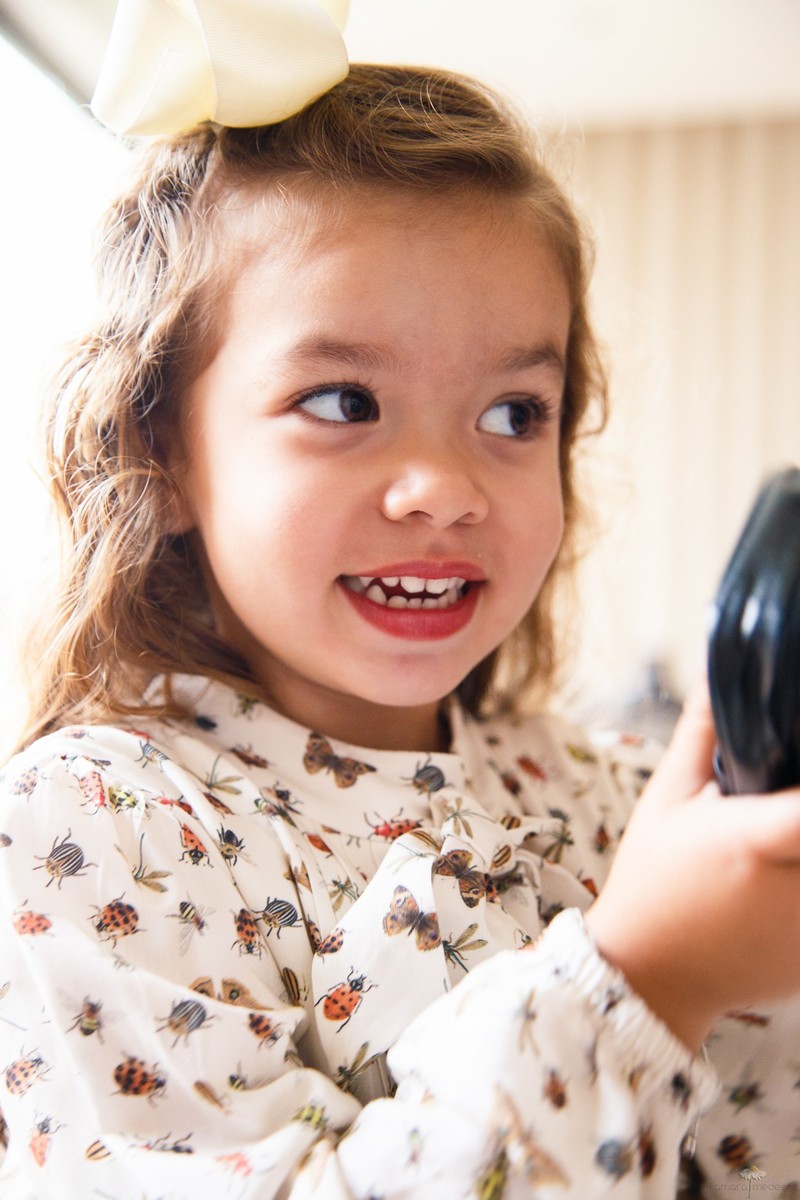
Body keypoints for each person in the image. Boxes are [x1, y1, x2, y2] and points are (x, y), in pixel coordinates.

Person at [1, 42, 800, 1200]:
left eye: (512, 412)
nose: (442, 485)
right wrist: (638, 983)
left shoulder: (621, 800)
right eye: (343, 402)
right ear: (162, 451)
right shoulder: (96, 834)